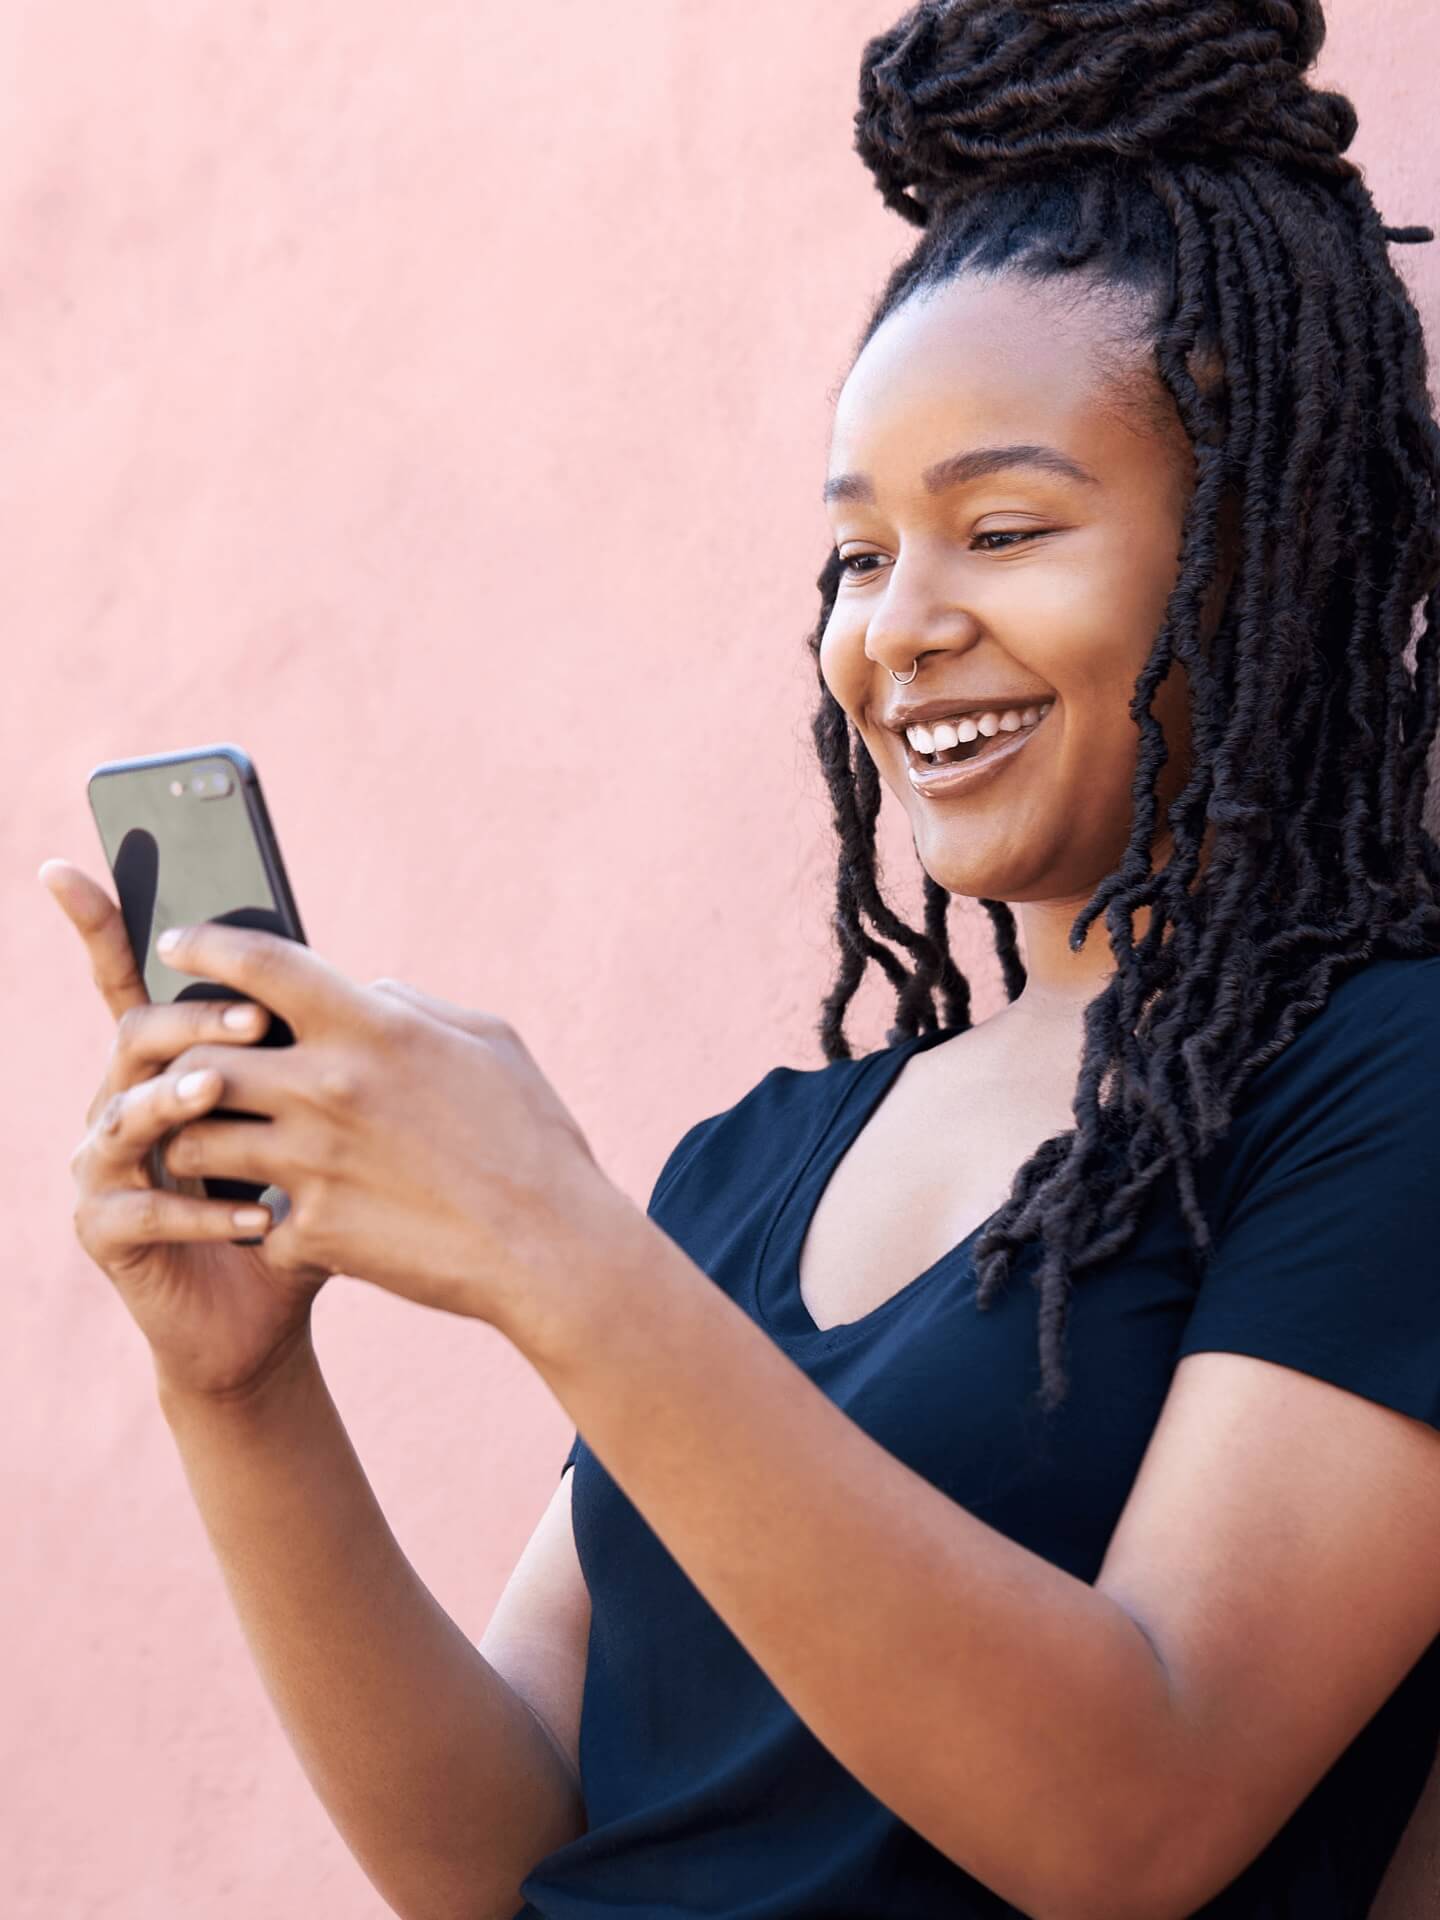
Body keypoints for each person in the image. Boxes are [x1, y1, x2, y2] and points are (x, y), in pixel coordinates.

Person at [43, 1, 1440, 1915]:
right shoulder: (755, 1168)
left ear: (1269, 544)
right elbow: (492, 1859)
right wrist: (243, 1395)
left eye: (1003, 528)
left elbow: (1138, 1817)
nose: (900, 629)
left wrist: (557, 1248)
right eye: (858, 561)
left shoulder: (1387, 1085)